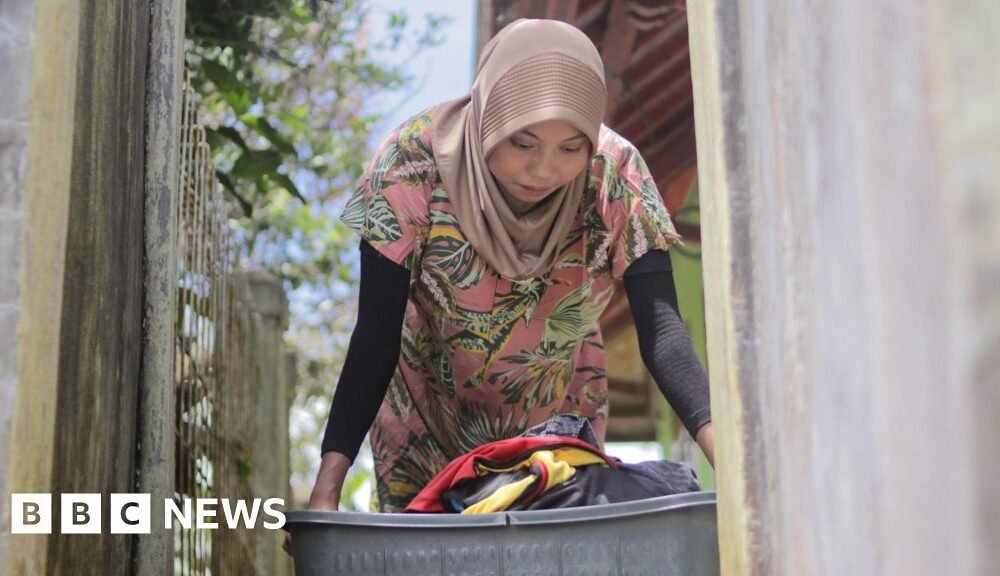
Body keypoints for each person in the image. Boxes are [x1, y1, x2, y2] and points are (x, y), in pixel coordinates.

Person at [310, 18, 714, 515]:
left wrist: (733, 469)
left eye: (570, 148)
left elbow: (664, 334)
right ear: (488, 118)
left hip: (555, 436)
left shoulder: (614, 174)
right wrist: (326, 490)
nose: (545, 169)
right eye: (522, 143)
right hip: (425, 421)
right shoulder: (409, 164)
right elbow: (375, 332)